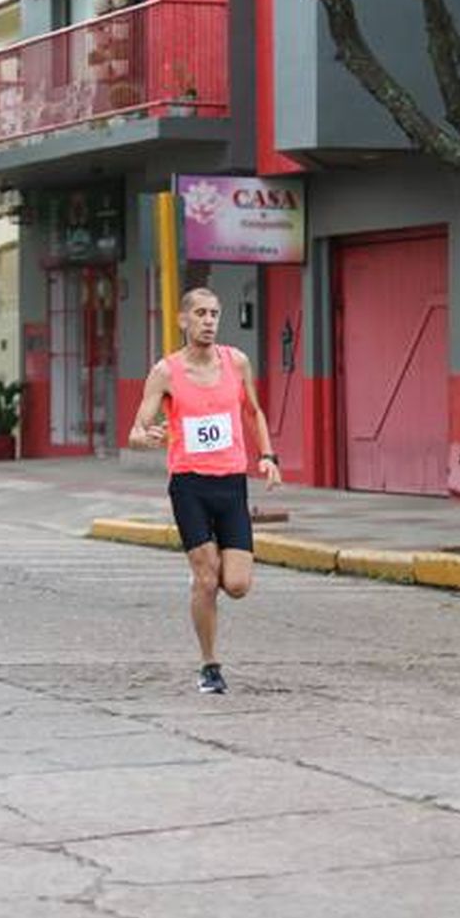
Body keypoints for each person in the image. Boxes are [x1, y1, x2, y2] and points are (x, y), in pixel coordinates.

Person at [127, 288, 281, 695]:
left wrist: (268, 455)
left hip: (231, 484)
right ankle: (210, 665)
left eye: (214, 313)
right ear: (183, 320)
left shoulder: (236, 362)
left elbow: (253, 411)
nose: (209, 321)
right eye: (200, 313)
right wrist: (150, 436)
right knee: (206, 579)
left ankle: (211, 599)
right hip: (190, 484)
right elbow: (136, 432)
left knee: (237, 585)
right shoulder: (166, 372)